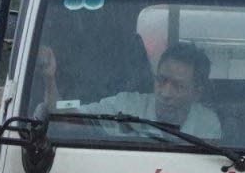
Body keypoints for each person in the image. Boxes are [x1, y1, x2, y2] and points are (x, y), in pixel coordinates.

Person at [38, 40, 223, 139]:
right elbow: (63, 117)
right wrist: (49, 77)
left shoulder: (206, 124)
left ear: (197, 92)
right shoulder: (126, 104)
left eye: (178, 86)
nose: (165, 93)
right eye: (161, 80)